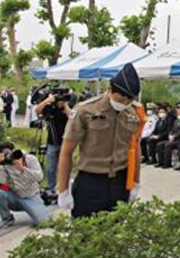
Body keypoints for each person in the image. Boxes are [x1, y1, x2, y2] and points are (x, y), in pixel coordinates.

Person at [56, 63, 146, 218]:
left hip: (120, 182)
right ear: (111, 90)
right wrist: (63, 190)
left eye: (129, 99)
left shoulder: (133, 113)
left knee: (115, 234)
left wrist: (135, 182)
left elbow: (135, 148)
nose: (125, 102)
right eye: (122, 98)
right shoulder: (85, 110)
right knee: (84, 236)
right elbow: (67, 151)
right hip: (90, 182)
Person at [33, 89, 75, 195]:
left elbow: (72, 116)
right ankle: (52, 189)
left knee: (65, 167)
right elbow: (37, 111)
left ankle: (64, 188)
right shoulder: (50, 108)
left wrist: (65, 105)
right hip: (52, 141)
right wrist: (48, 100)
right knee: (50, 167)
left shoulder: (68, 106)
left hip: (66, 141)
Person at [0, 142, 51, 228]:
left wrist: (22, 169)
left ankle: (41, 201)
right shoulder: (4, 165)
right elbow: (3, 185)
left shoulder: (30, 159)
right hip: (15, 196)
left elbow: (39, 177)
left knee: (44, 223)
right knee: (0, 192)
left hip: (31, 196)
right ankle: (7, 218)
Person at [156, 104, 180, 169]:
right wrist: (170, 135)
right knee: (160, 144)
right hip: (175, 139)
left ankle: (168, 164)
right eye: (178, 112)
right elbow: (172, 129)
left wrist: (174, 136)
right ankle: (161, 162)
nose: (179, 113)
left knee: (168, 145)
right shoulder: (176, 120)